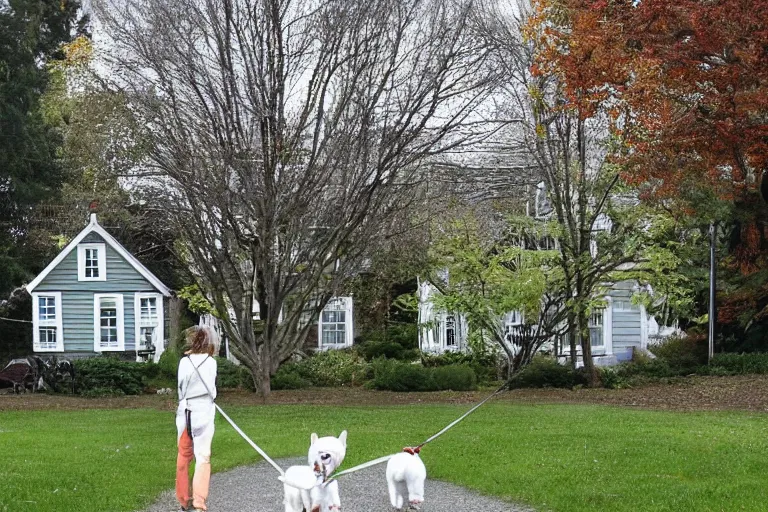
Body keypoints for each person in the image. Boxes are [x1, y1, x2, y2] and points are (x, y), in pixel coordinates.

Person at [176, 326, 219, 511]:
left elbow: (180, 389)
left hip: (185, 410)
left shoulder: (184, 362)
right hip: (203, 410)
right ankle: (199, 503)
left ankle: (184, 499)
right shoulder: (211, 362)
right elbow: (212, 389)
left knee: (184, 455)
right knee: (203, 456)